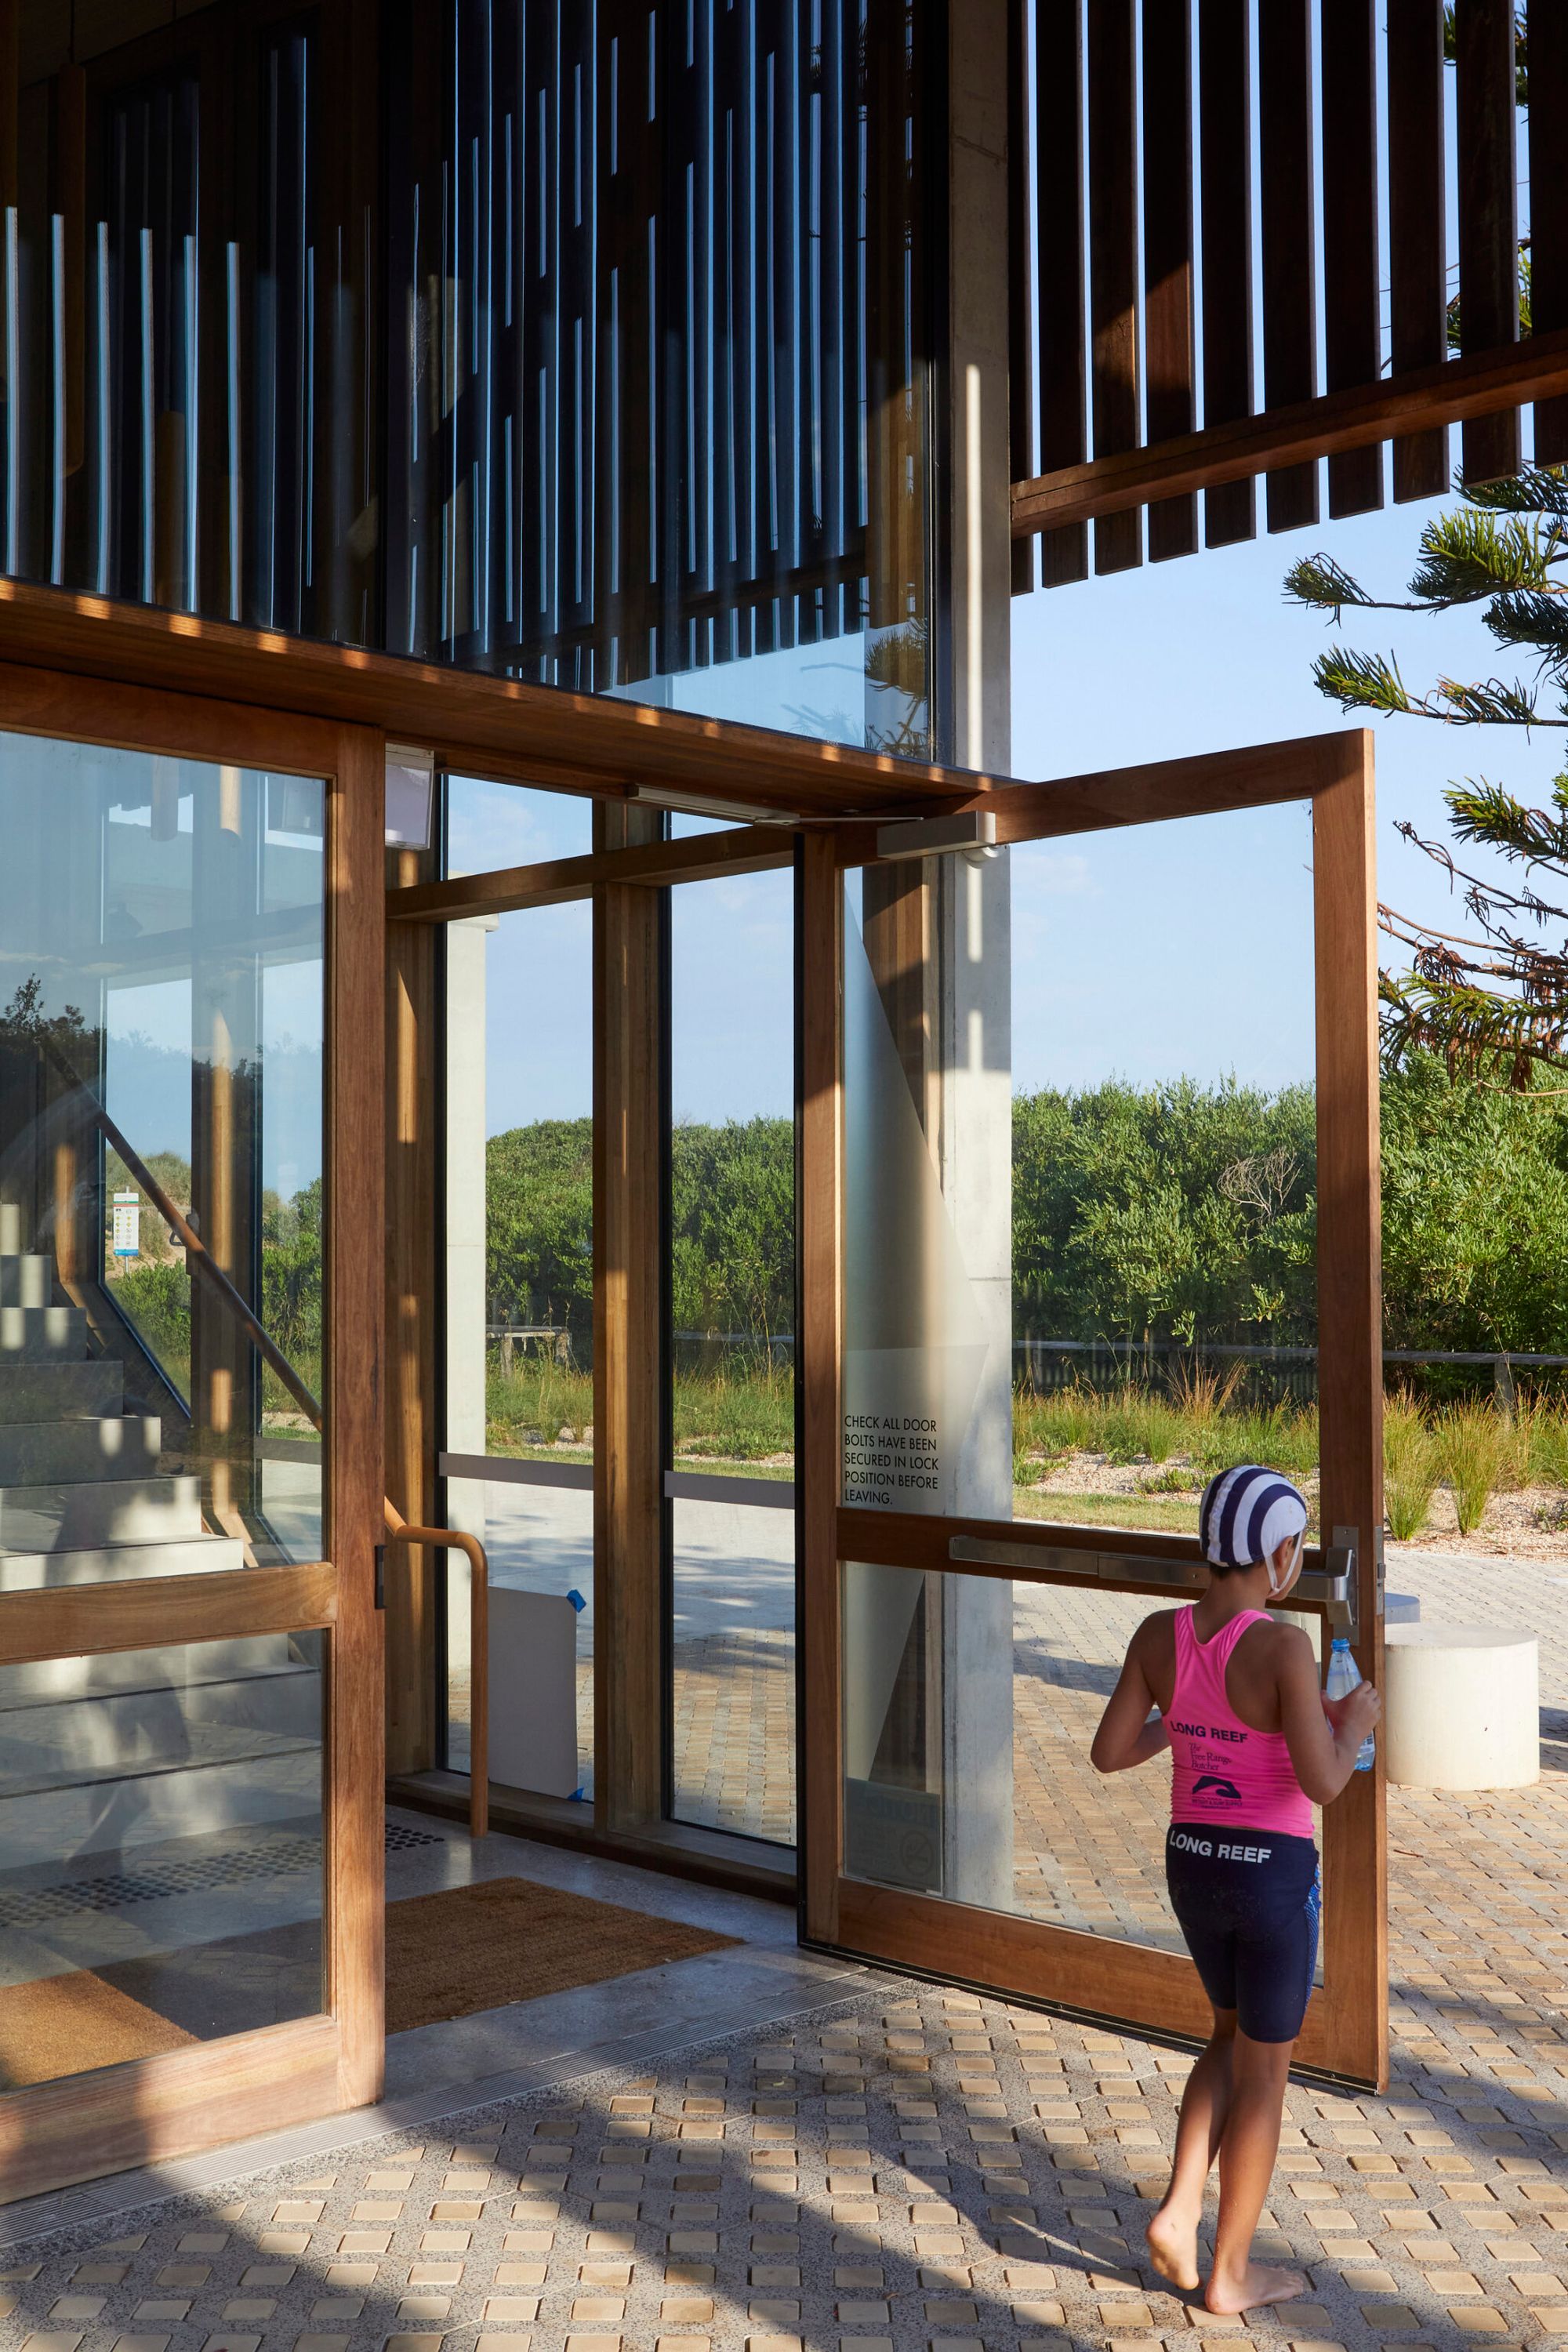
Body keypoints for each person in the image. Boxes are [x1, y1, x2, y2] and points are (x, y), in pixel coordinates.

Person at [1090, 1461, 1382, 2315]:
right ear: (1280, 1551)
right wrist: (1355, 1722)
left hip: (1193, 1865)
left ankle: (1180, 2213)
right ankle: (1230, 2273)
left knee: (1222, 2038)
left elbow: (1108, 1752)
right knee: (1263, 2074)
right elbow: (1324, 1780)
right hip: (1270, 1877)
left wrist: (1183, 1720)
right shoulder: (1282, 1646)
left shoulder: (1157, 1634)